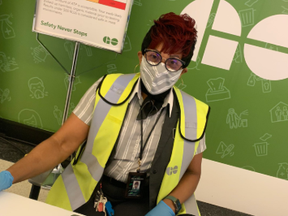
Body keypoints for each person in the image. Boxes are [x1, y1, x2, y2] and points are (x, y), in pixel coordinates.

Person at [0, 12, 210, 216]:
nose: (161, 68)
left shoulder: (194, 113)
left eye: (173, 62)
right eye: (154, 56)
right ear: (141, 57)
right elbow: (60, 144)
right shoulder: (107, 88)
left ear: (182, 72)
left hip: (145, 199)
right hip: (93, 190)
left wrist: (169, 206)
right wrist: (9, 175)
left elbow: (193, 173)